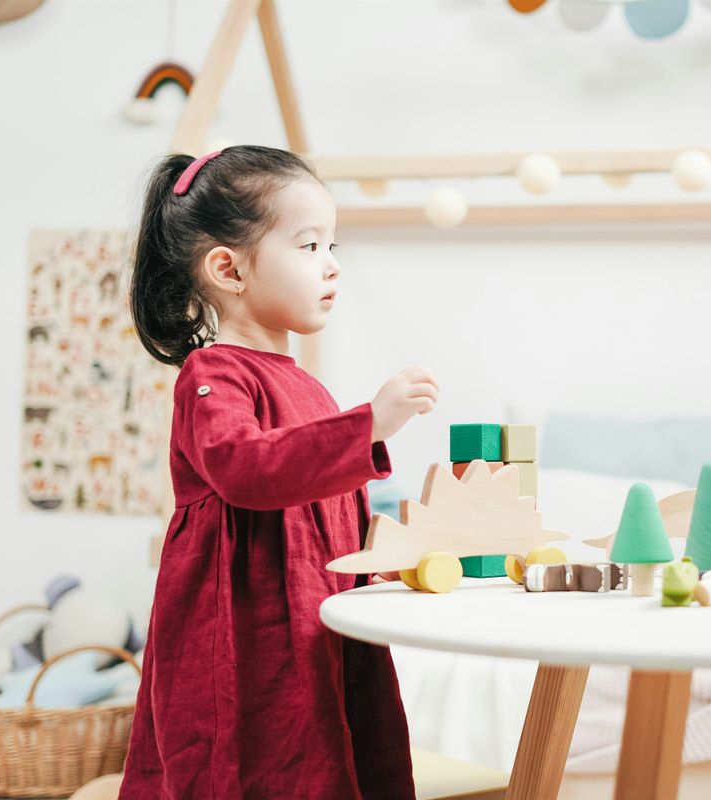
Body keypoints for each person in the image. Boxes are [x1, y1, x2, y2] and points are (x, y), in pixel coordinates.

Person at [121, 145, 438, 798]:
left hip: (316, 626)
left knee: (332, 757)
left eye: (333, 245)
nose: (332, 267)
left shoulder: (310, 390)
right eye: (309, 246)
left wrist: (386, 575)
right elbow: (248, 470)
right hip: (244, 638)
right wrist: (368, 424)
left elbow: (340, 516)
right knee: (253, 766)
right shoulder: (214, 377)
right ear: (229, 270)